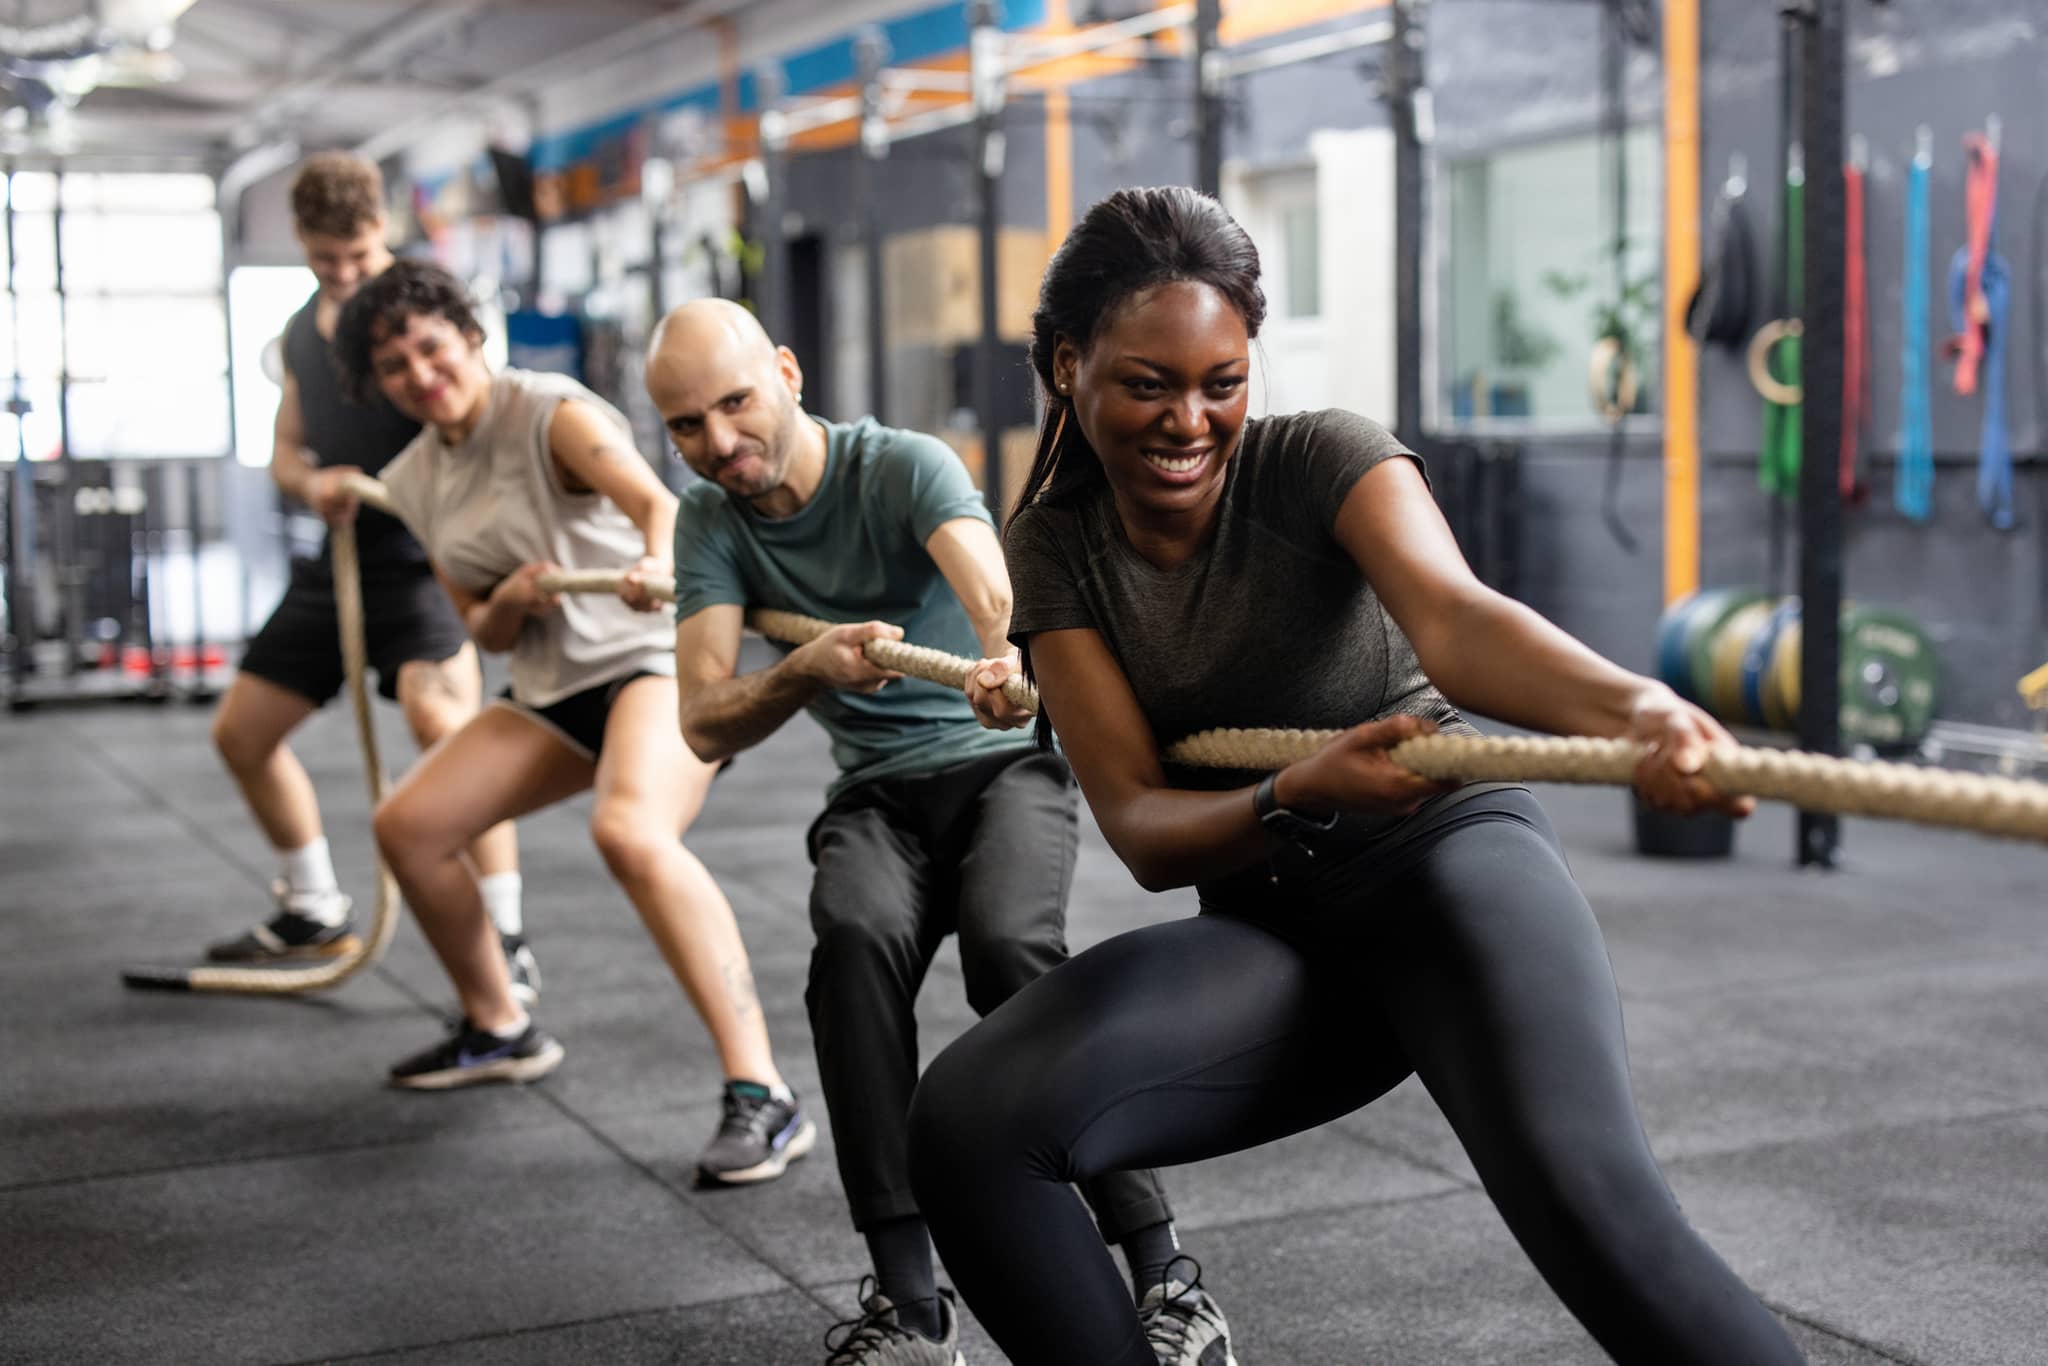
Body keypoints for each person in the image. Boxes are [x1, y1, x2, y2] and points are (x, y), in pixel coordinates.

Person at [904, 186, 1810, 1366]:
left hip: (1445, 868)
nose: (1189, 420)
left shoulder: (1319, 459)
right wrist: (1294, 794)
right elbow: (1138, 823)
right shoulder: (1054, 545)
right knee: (967, 1123)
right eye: (1148, 384)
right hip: (1274, 929)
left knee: (1593, 1209)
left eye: (1221, 382)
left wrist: (1637, 706)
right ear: (1068, 364)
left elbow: (1458, 621)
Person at [648, 297, 1232, 1366]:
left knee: (1010, 947)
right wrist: (805, 668)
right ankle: (912, 1311)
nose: (719, 440)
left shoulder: (899, 465)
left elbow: (991, 592)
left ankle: (1166, 1275)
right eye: (687, 425)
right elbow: (701, 718)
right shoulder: (711, 522)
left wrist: (1006, 658)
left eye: (734, 402)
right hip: (876, 794)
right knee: (853, 944)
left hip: (1000, 764)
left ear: (787, 373)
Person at [333, 262, 812, 1187]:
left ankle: (764, 1092)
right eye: (394, 365)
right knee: (409, 826)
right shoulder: (414, 478)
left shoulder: (549, 412)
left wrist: (655, 562)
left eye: (431, 346)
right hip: (553, 692)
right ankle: (498, 1023)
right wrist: (511, 603)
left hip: (649, 662)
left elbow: (660, 507)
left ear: (469, 335)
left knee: (629, 830)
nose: (421, 373)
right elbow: (478, 626)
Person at [205, 153, 533, 1000]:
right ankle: (312, 905)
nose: (346, 276)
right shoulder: (299, 335)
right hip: (345, 558)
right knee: (240, 735)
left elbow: (485, 419)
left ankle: (505, 936)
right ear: (302, 244)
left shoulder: (422, 313)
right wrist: (313, 482)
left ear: (382, 228)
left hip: (429, 559)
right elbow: (285, 450)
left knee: (447, 729)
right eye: (326, 261)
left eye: (357, 256)